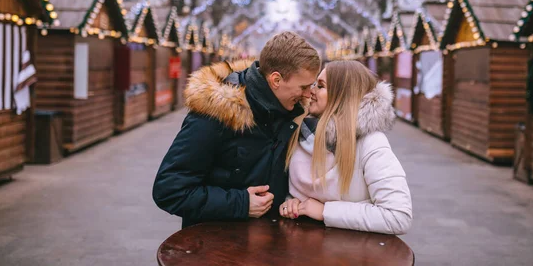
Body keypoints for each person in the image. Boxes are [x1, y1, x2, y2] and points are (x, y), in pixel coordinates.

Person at [152, 32, 320, 228]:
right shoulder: (217, 112)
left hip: (269, 244)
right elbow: (169, 189)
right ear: (276, 80)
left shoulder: (294, 112)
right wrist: (241, 203)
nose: (309, 94)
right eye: (304, 86)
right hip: (214, 245)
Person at [280, 60, 413, 235]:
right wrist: (292, 203)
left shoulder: (370, 142)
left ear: (342, 95)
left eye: (320, 86)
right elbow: (302, 195)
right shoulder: (297, 133)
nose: (310, 91)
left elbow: (398, 216)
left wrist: (324, 211)